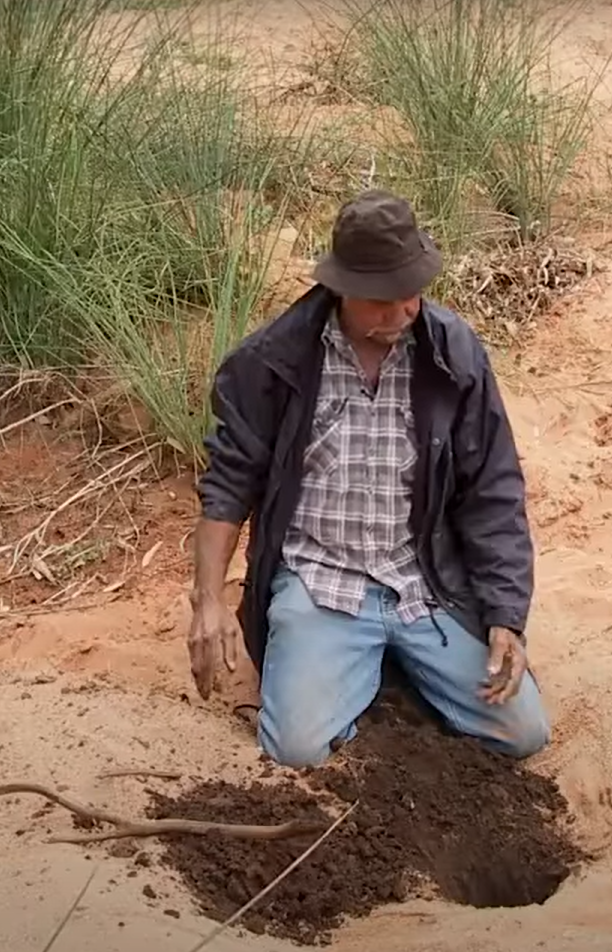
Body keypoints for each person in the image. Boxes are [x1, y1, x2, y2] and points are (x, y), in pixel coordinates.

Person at [185, 188, 551, 768]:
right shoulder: (273, 362)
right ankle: (357, 670)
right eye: (385, 299)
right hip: (321, 580)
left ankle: (390, 671)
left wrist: (506, 616)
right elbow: (229, 484)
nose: (405, 310)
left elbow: (493, 491)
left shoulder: (453, 354)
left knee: (523, 732)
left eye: (414, 293)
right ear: (345, 288)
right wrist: (207, 601)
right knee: (297, 750)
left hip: (424, 584)